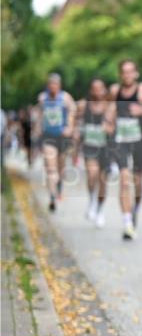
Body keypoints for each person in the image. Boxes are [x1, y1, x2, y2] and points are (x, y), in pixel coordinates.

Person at [106, 59, 142, 240]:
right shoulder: (115, 91)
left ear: (136, 73)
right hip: (121, 141)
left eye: (131, 71)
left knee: (137, 182)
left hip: (139, 141)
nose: (127, 75)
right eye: (124, 72)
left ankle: (135, 208)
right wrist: (108, 122)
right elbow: (110, 109)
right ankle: (127, 222)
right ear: (120, 74)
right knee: (124, 179)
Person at [37, 73, 76, 212]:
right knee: (50, 167)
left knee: (60, 167)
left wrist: (70, 127)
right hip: (48, 136)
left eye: (55, 84)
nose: (52, 87)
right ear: (48, 85)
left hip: (62, 136)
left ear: (59, 85)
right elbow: (40, 116)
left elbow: (72, 112)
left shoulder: (65, 98)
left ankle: (59, 186)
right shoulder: (42, 98)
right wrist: (37, 132)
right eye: (50, 84)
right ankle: (52, 197)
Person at [77, 78, 113, 227]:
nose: (98, 91)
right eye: (95, 88)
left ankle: (100, 210)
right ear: (91, 90)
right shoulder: (83, 105)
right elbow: (76, 122)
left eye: (100, 88)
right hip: (90, 146)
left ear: (104, 90)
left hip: (106, 148)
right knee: (92, 174)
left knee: (103, 181)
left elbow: (115, 127)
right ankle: (91, 199)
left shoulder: (110, 107)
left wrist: (109, 128)